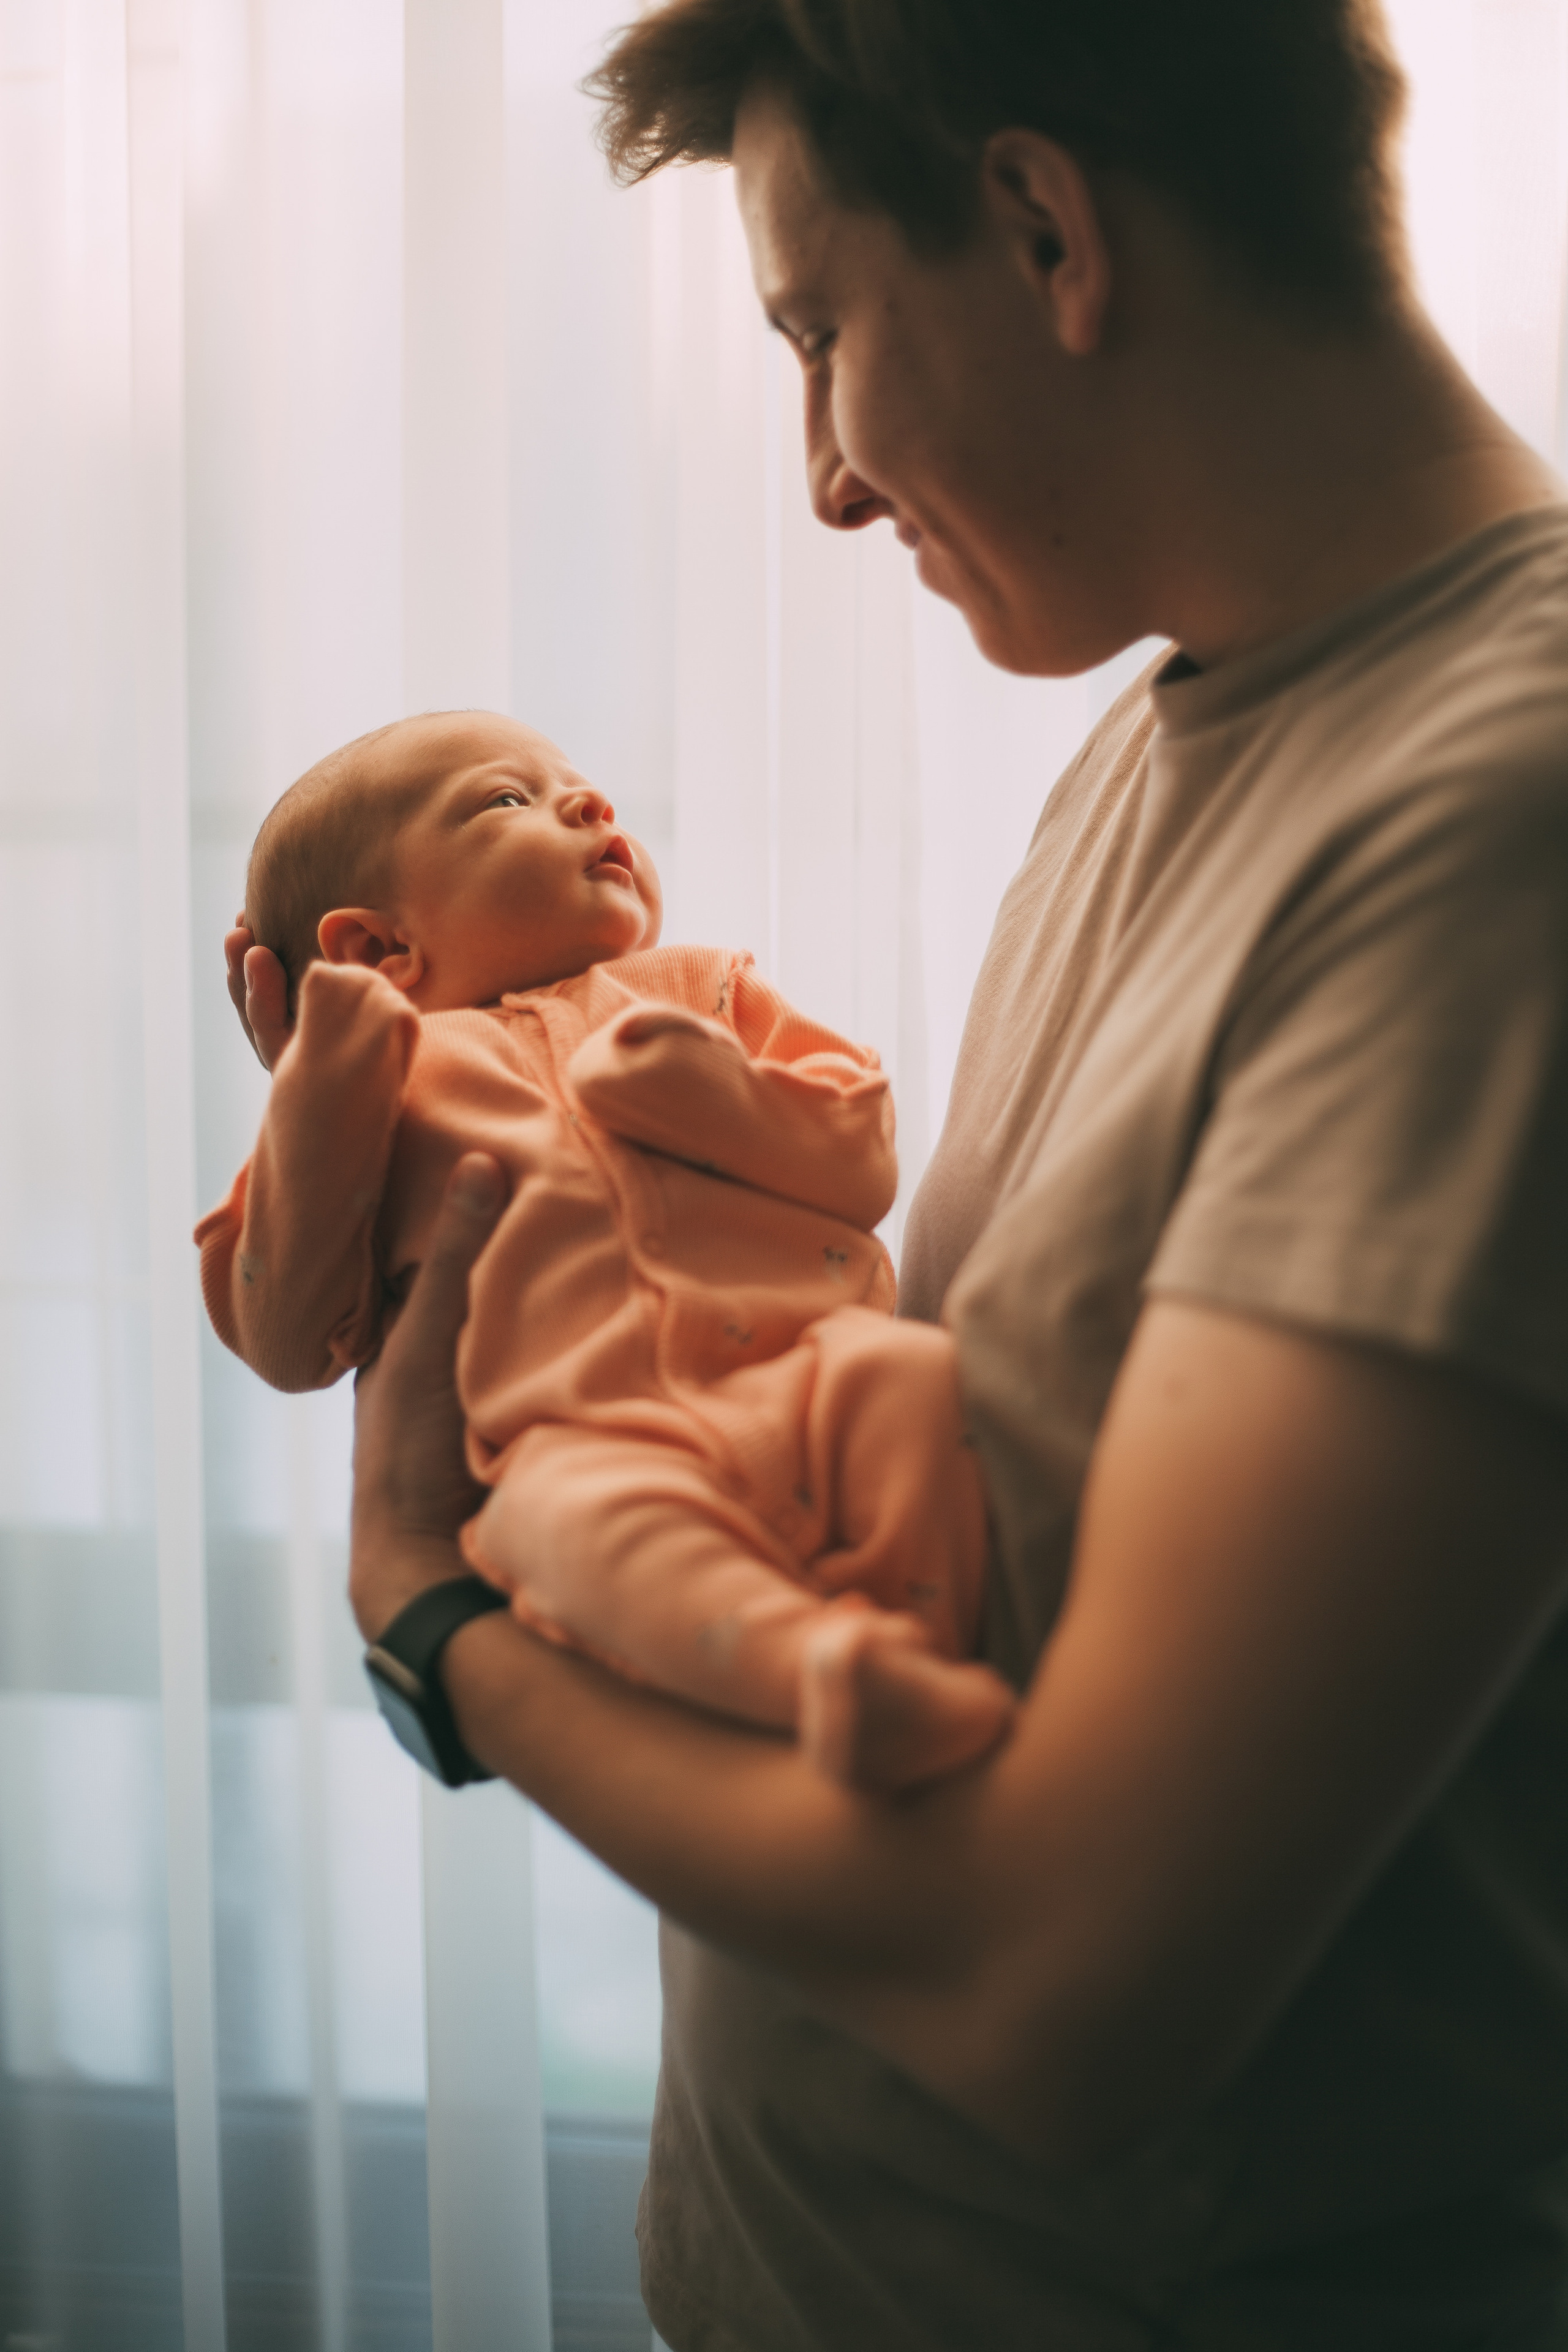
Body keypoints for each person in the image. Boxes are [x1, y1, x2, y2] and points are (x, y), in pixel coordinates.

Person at [233, 0, 1568, 2342]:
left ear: (1047, 228)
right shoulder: (1177, 736)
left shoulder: (1497, 828)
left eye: (819, 335)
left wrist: (433, 1623)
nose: (829, 483)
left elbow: (1066, 1989)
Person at [202, 710, 1012, 1790]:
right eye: (509, 799)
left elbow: (859, 1164)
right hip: (583, 1442)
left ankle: (930, 1640)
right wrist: (316, 1108)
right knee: (551, 1532)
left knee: (915, 1380)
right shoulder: (377, 1092)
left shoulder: (703, 991)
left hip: (813, 1370)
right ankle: (823, 1673)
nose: (589, 804)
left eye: (576, 785)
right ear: (379, 951)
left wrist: (713, 1097)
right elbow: (289, 1340)